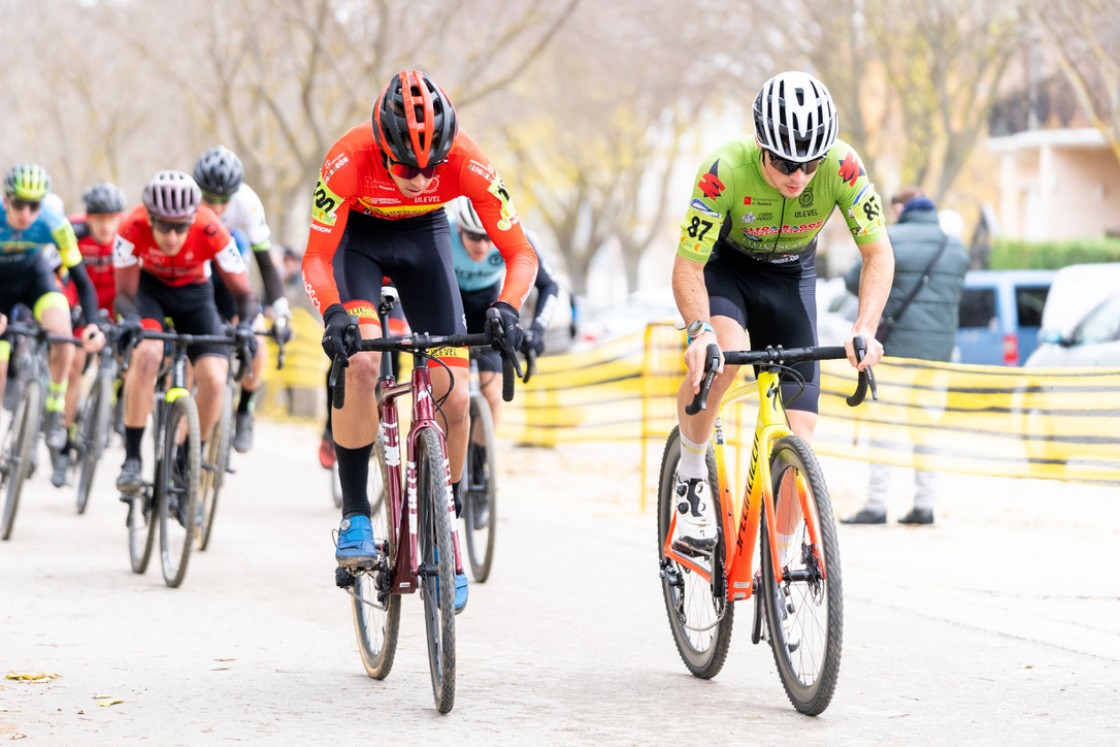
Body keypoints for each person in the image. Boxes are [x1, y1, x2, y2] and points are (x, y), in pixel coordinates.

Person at [303, 69, 538, 613]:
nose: (419, 176)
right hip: (356, 243)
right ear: (383, 147)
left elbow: (521, 252)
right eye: (406, 166)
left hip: (423, 242)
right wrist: (333, 312)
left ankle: (443, 527)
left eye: (431, 167)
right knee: (361, 362)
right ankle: (357, 511)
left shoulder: (467, 161)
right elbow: (316, 257)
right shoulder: (346, 158)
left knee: (454, 395)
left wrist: (506, 305)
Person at [670, 71, 894, 557]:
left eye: (810, 164)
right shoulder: (723, 170)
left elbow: (879, 254)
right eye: (784, 162)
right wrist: (698, 331)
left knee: (802, 435)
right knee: (722, 357)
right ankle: (690, 468)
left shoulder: (844, 166)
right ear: (760, 143)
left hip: (792, 280)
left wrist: (864, 327)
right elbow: (687, 265)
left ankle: (783, 563)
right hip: (727, 272)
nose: (798, 176)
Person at [113, 170, 259, 498]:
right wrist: (132, 319)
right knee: (147, 355)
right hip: (150, 292)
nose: (173, 236)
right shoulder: (130, 228)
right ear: (150, 217)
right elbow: (123, 294)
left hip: (196, 296)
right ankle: (133, 458)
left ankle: (188, 455)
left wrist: (247, 325)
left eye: (181, 226)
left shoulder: (211, 228)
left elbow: (246, 296)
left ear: (192, 218)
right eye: (164, 225)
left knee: (214, 379)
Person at [840, 188, 970, 526]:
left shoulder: (890, 238)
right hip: (938, 355)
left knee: (884, 427)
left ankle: (876, 504)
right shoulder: (955, 247)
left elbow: (854, 279)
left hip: (894, 351)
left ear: (901, 208)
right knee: (927, 429)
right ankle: (924, 506)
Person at [0, 164, 105, 453]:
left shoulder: (54, 222)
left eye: (33, 206)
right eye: (19, 203)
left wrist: (93, 324)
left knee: (62, 334)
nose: (25, 213)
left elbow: (82, 280)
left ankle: (55, 408)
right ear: (6, 199)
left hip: (35, 279)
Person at [193, 145, 291, 453]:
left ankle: (245, 409)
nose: (218, 207)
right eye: (210, 199)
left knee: (257, 341)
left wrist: (282, 310)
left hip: (233, 280)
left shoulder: (248, 203)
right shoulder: (187, 200)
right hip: (197, 277)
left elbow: (265, 264)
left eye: (225, 199)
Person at [450, 195, 558, 432]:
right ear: (459, 227)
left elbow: (550, 286)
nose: (482, 246)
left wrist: (537, 330)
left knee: (493, 394)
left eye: (489, 238)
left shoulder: (518, 236)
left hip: (486, 310)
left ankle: (480, 465)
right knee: (450, 393)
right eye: (473, 237)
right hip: (452, 306)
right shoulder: (441, 234)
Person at [50, 182, 127, 486]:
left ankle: (119, 401)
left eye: (112, 218)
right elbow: (52, 273)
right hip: (81, 303)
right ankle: (66, 441)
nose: (105, 225)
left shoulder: (127, 236)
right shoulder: (74, 230)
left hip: (115, 303)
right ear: (88, 216)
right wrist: (66, 306)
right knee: (74, 367)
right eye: (99, 218)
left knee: (129, 356)